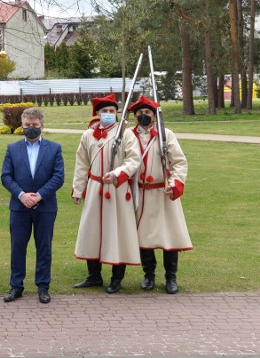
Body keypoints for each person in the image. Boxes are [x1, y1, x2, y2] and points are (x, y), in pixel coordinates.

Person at [72, 94, 142, 293]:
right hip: (95, 188)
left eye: (112, 111)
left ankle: (116, 278)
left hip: (117, 189)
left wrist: (118, 173)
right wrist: (78, 189)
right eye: (105, 111)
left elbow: (133, 160)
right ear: (98, 113)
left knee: (117, 232)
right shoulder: (88, 135)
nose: (108, 114)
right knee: (91, 231)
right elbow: (81, 164)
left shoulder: (126, 134)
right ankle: (94, 276)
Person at [0, 107, 65, 304]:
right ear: (22, 125)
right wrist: (21, 195)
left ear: (42, 126)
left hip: (45, 207)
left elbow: (58, 177)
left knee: (43, 247)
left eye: (34, 125)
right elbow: (6, 176)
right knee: (18, 247)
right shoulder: (13, 148)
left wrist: (39, 196)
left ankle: (43, 286)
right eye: (27, 125)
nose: (31, 128)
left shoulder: (54, 148)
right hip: (19, 207)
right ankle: (16, 286)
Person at [129, 96, 192, 294]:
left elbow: (179, 162)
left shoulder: (166, 135)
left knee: (169, 237)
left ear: (154, 116)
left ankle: (171, 277)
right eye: (140, 113)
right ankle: (149, 275)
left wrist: (174, 184)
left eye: (147, 112)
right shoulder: (128, 135)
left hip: (163, 193)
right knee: (143, 237)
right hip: (140, 193)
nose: (143, 115)